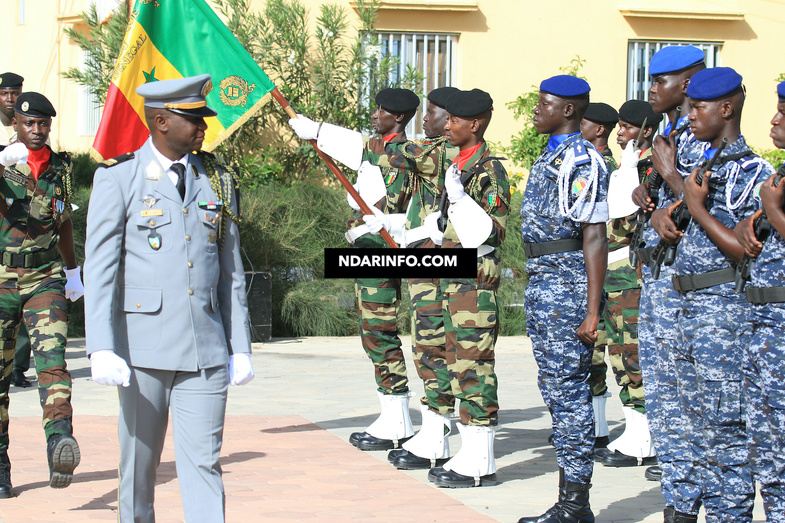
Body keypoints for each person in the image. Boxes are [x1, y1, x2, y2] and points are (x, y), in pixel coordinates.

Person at [83, 74, 255, 522]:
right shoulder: (119, 178)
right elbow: (100, 270)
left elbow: (231, 271)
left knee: (203, 464)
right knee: (139, 469)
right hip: (143, 352)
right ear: (161, 120)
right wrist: (100, 345)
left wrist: (241, 346)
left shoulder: (217, 180)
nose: (204, 127)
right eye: (193, 118)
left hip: (205, 349)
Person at [660, 67, 767, 522]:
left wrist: (696, 207)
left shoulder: (751, 171)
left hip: (723, 316)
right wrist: (663, 217)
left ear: (726, 109)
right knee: (695, 431)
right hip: (686, 312)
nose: (690, 118)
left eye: (699, 108)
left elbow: (745, 251)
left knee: (726, 437)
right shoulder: (704, 166)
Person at [518, 75, 609, 523]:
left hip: (566, 285)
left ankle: (576, 506)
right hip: (544, 280)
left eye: (544, 103)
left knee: (569, 393)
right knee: (556, 391)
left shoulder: (581, 159)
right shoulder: (551, 155)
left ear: (568, 110)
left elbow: (594, 236)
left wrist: (592, 310)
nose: (535, 110)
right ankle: (570, 502)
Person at [629, 45, 706, 519]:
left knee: (694, 406)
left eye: (661, 81)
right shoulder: (670, 132)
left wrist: (668, 174)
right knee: (664, 406)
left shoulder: (704, 138)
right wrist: (648, 190)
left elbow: (716, 214)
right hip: (660, 285)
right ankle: (678, 506)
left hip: (694, 294)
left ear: (689, 82)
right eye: (651, 80)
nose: (652, 89)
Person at [0, 91, 84, 497]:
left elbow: (64, 220)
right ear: (15, 122)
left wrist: (73, 271)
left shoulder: (61, 167)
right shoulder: (3, 163)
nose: (36, 131)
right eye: (28, 123)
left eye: (43, 124)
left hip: (45, 277)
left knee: (52, 361)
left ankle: (59, 440)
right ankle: (0, 462)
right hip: (1, 277)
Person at [344, 88, 419, 452]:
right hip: (369, 246)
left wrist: (374, 218)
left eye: (382, 111)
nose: (375, 116)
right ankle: (393, 413)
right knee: (372, 330)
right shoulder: (374, 153)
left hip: (391, 247)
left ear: (399, 118)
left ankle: (397, 419)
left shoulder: (403, 156)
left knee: (380, 329)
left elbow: (391, 205)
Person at [595, 100, 662, 469]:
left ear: (646, 131)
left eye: (626, 127)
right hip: (614, 275)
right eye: (618, 126)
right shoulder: (627, 166)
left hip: (633, 277)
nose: (619, 133)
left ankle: (644, 437)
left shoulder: (651, 169)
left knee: (633, 354)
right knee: (619, 354)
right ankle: (636, 431)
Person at [735, 80, 785, 523]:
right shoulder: (779, 177)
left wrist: (775, 215)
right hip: (763, 328)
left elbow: (485, 246)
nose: (775, 119)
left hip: (779, 331)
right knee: (766, 451)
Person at [580, 101, 618, 450]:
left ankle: (597, 427)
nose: (579, 128)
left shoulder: (600, 166)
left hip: (600, 267)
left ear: (599, 130)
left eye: (585, 123)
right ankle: (596, 427)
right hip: (587, 264)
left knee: (595, 349)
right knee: (589, 354)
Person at [0, 72, 33, 389]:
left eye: (14, 92)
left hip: (18, 214)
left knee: (20, 282)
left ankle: (19, 366)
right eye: (5, 93)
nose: (10, 98)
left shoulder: (29, 119)